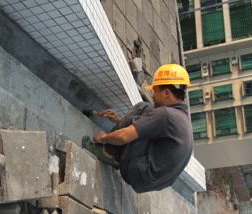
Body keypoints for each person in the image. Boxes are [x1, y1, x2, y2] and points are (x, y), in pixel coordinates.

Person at [83, 64, 194, 193]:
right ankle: (117, 157)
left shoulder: (166, 115)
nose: (152, 96)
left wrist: (103, 138)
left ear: (166, 93)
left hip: (136, 173)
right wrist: (121, 121)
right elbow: (148, 129)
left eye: (155, 90)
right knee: (145, 121)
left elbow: (124, 136)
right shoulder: (182, 119)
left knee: (144, 108)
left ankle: (106, 153)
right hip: (147, 182)